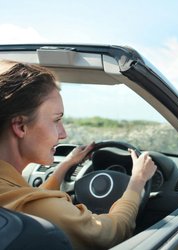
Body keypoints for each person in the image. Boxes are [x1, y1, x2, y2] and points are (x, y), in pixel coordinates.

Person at [0, 60, 157, 249]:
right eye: (56, 120)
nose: (63, 133)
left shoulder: (12, 193)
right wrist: (137, 182)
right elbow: (109, 234)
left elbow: (34, 199)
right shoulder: (41, 209)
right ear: (20, 126)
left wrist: (64, 167)